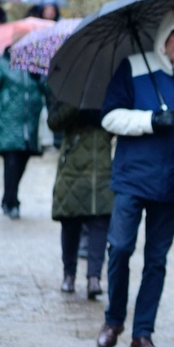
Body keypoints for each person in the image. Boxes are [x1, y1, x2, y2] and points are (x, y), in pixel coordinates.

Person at [95, 9, 174, 347]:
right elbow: (109, 117)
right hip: (132, 177)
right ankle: (113, 320)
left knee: (156, 260)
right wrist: (150, 120)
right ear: (164, 36)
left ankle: (142, 332)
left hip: (172, 183)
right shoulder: (133, 66)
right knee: (120, 249)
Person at [46, 100, 113, 298]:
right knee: (70, 221)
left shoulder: (110, 89)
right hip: (72, 169)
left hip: (101, 167)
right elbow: (53, 122)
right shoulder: (69, 93)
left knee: (100, 221)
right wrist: (77, 104)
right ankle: (69, 275)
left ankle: (94, 277)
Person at [0, 49, 47, 219]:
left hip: (29, 124)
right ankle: (12, 201)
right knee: (11, 161)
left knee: (23, 160)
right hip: (8, 122)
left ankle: (8, 197)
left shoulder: (35, 65)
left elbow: (48, 90)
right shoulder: (3, 65)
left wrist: (40, 79)